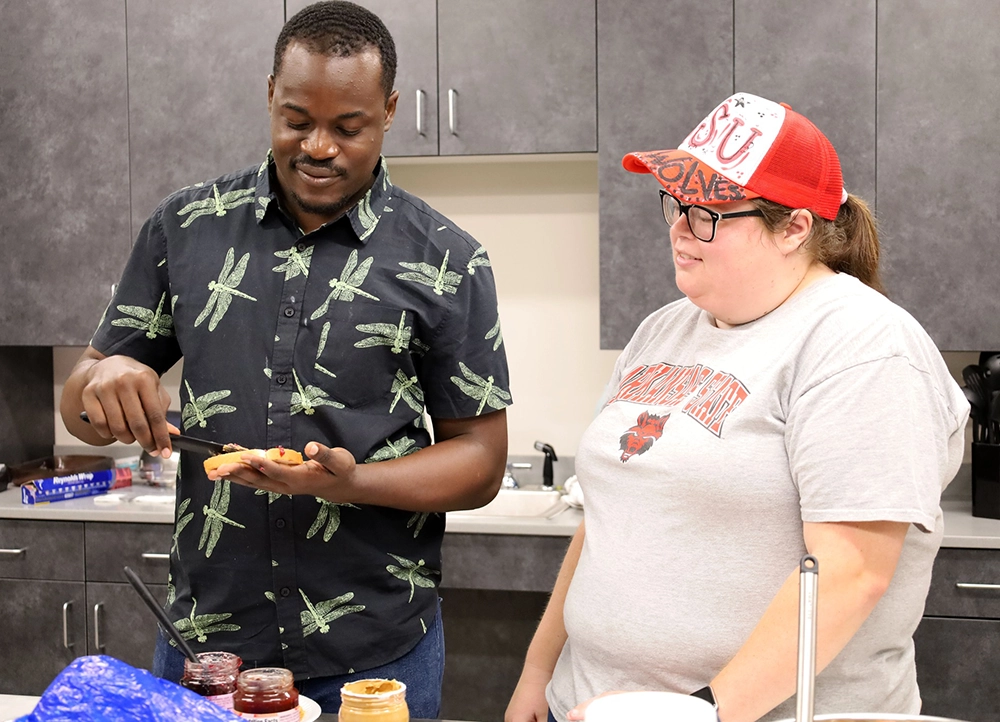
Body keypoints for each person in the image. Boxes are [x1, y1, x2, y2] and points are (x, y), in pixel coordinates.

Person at [60, 2, 511, 716]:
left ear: (390, 112)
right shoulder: (185, 227)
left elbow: (482, 462)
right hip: (208, 653)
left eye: (348, 127)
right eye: (297, 120)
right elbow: (80, 405)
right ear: (271, 94)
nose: (319, 147)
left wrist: (352, 483)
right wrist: (102, 380)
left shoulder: (447, 260)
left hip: (375, 653)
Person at [505, 92, 969, 722]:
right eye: (675, 204)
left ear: (794, 228)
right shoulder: (662, 330)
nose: (679, 228)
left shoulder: (864, 346)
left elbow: (852, 570)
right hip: (587, 703)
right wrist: (539, 672)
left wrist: (703, 713)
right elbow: (609, 520)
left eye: (708, 213)